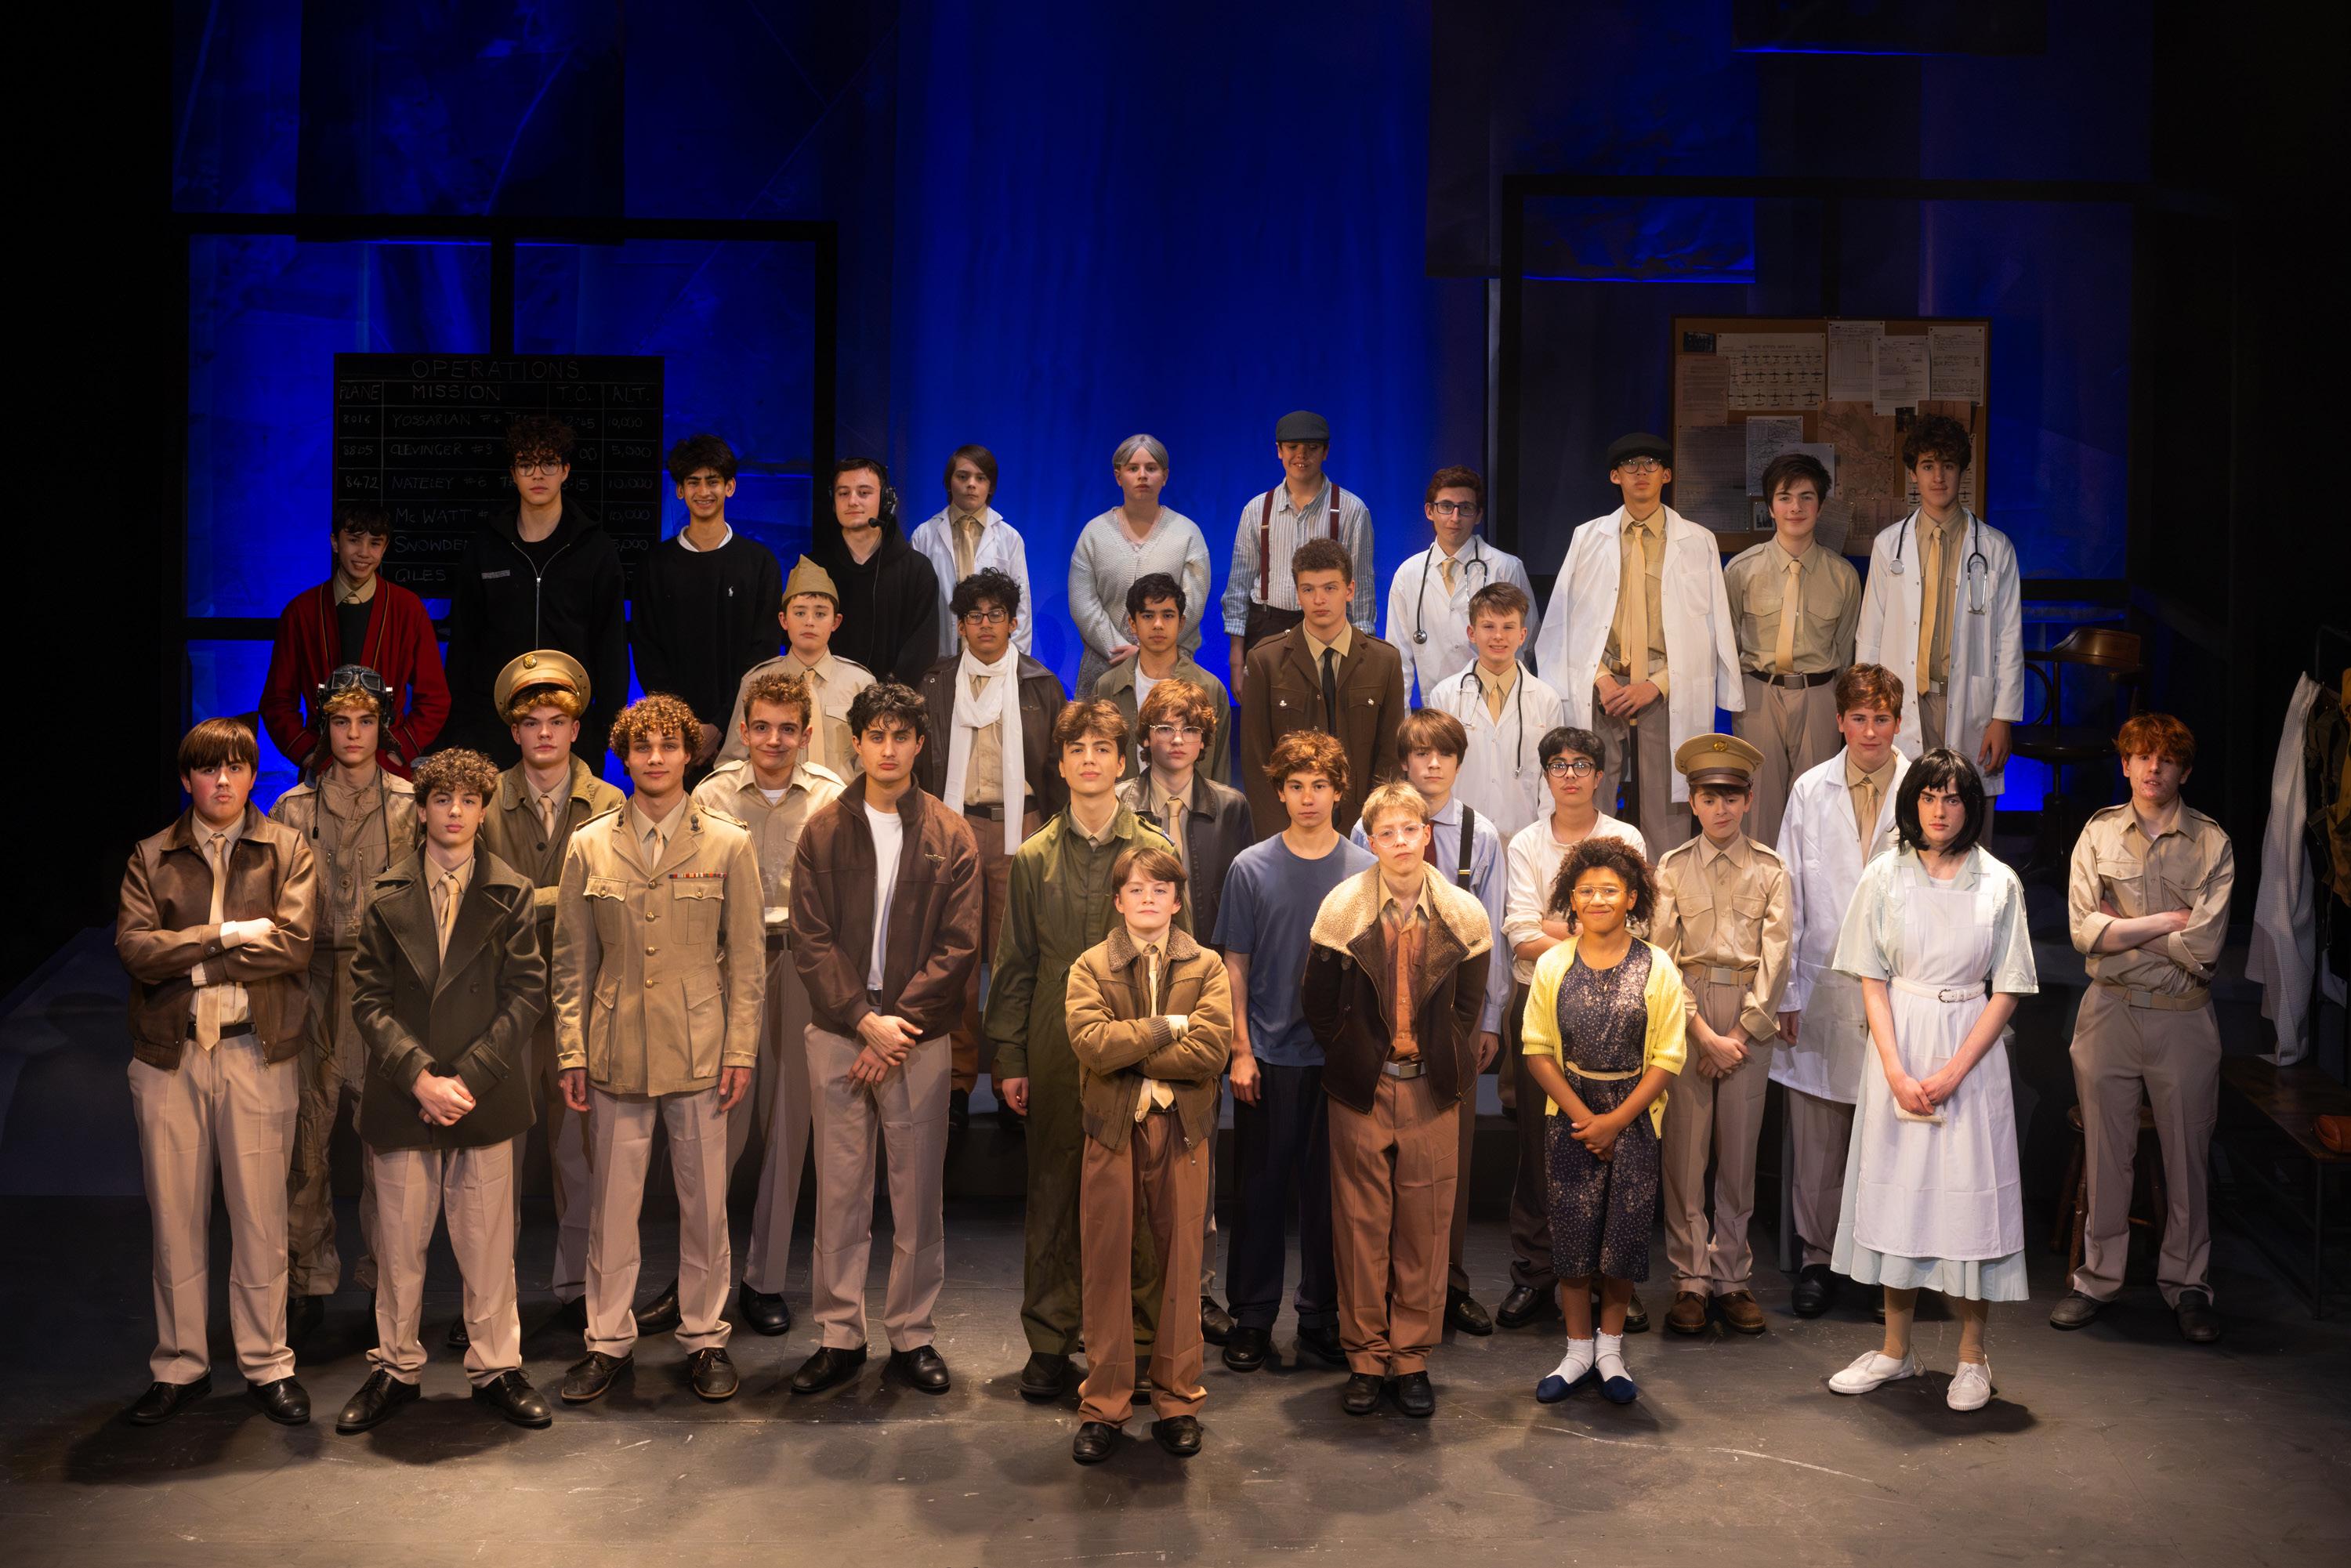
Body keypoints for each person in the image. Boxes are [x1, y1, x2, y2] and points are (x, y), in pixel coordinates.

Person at [552, 694, 765, 1405]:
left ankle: (705, 1337)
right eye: (642, 746)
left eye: (669, 745)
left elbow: (748, 961)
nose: (655, 758)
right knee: (611, 1209)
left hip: (701, 1048)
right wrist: (571, 1050)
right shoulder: (589, 844)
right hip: (615, 1048)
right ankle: (607, 1341)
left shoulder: (728, 843)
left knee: (705, 1206)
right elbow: (571, 962)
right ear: (625, 755)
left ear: (689, 755)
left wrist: (741, 1050)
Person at [336, 748, 552, 1432]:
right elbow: (368, 998)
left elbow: (527, 994)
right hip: (407, 1093)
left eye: (468, 800)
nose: (455, 811)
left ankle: (497, 1366)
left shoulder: (511, 890)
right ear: (422, 808)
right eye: (441, 798)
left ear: (483, 810)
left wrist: (468, 1077)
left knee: (488, 1245)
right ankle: (395, 1366)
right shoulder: (387, 891)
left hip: (481, 1093)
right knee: (398, 1246)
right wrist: (420, 1076)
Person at [1823, 749, 2038, 1414]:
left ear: (1970, 807)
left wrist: (1952, 1071)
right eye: (1928, 796)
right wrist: (1894, 1068)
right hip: (1901, 1044)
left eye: (1953, 798)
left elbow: (2007, 987)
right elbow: (1871, 978)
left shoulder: (1998, 881)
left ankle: (1972, 1356)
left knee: (1968, 1198)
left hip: (1969, 1048)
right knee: (1900, 1192)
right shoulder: (1884, 875)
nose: (1940, 810)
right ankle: (1895, 1349)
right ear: (1912, 802)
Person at [116, 718, 317, 1427]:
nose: (223, 780)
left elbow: (293, 945)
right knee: (175, 1217)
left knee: (261, 1216)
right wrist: (227, 935)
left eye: (235, 767)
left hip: (256, 1050)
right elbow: (136, 950)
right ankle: (180, 1364)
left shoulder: (287, 848)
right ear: (187, 778)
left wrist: (193, 963)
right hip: (169, 1055)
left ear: (253, 775)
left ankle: (267, 1362)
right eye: (208, 768)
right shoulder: (151, 855)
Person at [787, 683, 983, 1396]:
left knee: (917, 1195)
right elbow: (808, 938)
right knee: (839, 1193)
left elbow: (960, 946)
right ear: (858, 743)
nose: (889, 748)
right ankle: (840, 1333)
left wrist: (893, 1025)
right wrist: (861, 1018)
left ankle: (912, 1333)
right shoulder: (822, 830)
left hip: (916, 1039)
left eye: (902, 736)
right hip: (840, 1031)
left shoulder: (952, 834)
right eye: (877, 735)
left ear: (920, 745)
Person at [987, 700, 1185, 1403]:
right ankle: (1050, 1338)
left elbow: (1179, 953)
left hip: (1134, 1040)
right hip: (1052, 1042)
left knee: (1139, 1195)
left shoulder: (1154, 849)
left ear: (1123, 761)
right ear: (1062, 763)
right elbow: (1015, 962)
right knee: (1054, 1192)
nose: (1091, 759)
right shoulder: (1035, 855)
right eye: (1078, 749)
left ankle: (1137, 1341)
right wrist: (1010, 1057)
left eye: (1104, 747)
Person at [1301, 782, 1494, 1418]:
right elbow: (1318, 1004)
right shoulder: (1341, 909)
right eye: (1387, 832)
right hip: (1363, 1088)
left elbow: (1468, 1007)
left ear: (1427, 834)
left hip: (1430, 1090)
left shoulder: (1464, 913)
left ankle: (1410, 1359)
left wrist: (1437, 1055)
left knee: (1425, 1227)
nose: (1401, 841)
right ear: (1371, 840)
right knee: (1360, 1226)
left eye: (1411, 829)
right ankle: (1364, 1358)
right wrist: (1355, 1053)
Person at [2049, 714, 2233, 1343]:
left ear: (2185, 769)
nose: (2154, 768)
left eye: (2167, 758)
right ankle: (2098, 1279)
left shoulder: (2211, 843)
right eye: (2142, 756)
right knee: (2106, 1155)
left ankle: (2188, 1284)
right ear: (2125, 764)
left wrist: (2121, 929)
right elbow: (2083, 933)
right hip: (2109, 1012)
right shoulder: (2098, 833)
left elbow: (2205, 949)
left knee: (2188, 1157)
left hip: (2183, 1017)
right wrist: (2167, 923)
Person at [477, 651, 631, 1336]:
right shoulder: (483, 801)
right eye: (531, 721)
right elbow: (480, 902)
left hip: (586, 1004)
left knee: (580, 1156)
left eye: (556, 721)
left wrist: (530, 899)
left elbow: (611, 900)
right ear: (514, 731)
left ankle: (579, 1288)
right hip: (501, 1004)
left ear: (575, 729)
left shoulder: (611, 803)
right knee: (495, 1164)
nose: (544, 733)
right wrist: (559, 897)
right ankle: (489, 1297)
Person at [690, 668, 846, 1338]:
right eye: (762, 727)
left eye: (788, 729)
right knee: (712, 1122)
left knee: (788, 1122)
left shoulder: (834, 796)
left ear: (807, 734)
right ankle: (700, 1274)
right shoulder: (712, 793)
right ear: (744, 730)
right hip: (726, 961)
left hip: (802, 962)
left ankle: (765, 1276)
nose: (774, 740)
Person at [1210, 730, 1372, 1376]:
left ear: (1338, 791)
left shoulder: (1364, 870)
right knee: (1259, 1193)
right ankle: (1252, 1317)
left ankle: (1320, 1317)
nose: (1308, 797)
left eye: (1320, 785)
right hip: (1269, 1057)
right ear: (1279, 792)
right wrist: (1240, 1050)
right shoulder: (1250, 867)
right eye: (1296, 785)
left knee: (1332, 1197)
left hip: (1337, 1062)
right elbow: (1235, 963)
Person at [1065, 845, 1233, 1465]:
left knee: (1183, 1264)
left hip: (1182, 1130)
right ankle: (1104, 1404)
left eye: (1160, 889)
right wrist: (1168, 1026)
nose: (1147, 899)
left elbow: (1211, 1050)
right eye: (1136, 889)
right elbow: (1091, 1043)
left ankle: (1178, 1400)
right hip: (1112, 1129)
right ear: (1118, 900)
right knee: (1106, 1263)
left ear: (1177, 900)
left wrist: (1130, 1049)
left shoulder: (1207, 965)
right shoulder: (1090, 965)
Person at [1349, 711, 1512, 1338]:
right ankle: (1387, 1290)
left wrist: (1488, 1017)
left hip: (1454, 1017)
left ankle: (1450, 1283)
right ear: (1404, 763)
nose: (1433, 764)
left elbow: (1490, 933)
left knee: (1449, 1158)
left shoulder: (1480, 834)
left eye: (1444, 753)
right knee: (1382, 1161)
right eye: (1421, 753)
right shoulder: (1370, 830)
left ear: (1459, 763)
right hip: (1383, 1019)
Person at [267, 668, 416, 1345]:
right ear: (324, 726)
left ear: (382, 725)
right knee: (307, 1140)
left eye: (365, 721)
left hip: (384, 983)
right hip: (311, 980)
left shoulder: (411, 804)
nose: (353, 734)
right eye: (339, 721)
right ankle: (306, 1281)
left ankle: (389, 1281)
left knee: (388, 1143)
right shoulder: (291, 809)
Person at [1518, 838, 1686, 1406]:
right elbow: (1537, 1049)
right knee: (1571, 1235)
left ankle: (1610, 1350)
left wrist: (1615, 1120)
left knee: (1623, 1236)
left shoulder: (1657, 965)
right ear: (1572, 898)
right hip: (1570, 1114)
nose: (1597, 899)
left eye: (1609, 890)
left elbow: (1668, 1055)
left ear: (1631, 897)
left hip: (1634, 1116)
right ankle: (1576, 1350)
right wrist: (1587, 1118)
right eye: (1586, 890)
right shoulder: (1552, 964)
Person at [1494, 726, 1650, 1332]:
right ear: (1545, 775)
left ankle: (1613, 1280)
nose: (1569, 774)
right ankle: (1536, 1273)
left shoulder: (1625, 838)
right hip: (1543, 998)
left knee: (1616, 1144)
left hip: (1620, 1002)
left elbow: (1638, 923)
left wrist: (1561, 925)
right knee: (1540, 1143)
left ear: (1599, 775)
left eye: (1581, 764)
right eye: (1557, 764)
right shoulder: (1527, 842)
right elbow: (1520, 932)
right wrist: (1595, 926)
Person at [1116, 676, 1254, 1343]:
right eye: (1165, 728)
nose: (1177, 739)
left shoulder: (1230, 807)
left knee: (1197, 1150)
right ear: (1145, 737)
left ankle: (1196, 1293)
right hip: (1131, 984)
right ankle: (1130, 1295)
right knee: (1128, 1152)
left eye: (1190, 729)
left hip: (1203, 983)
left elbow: (1238, 906)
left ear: (1206, 739)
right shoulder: (1120, 801)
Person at [1772, 664, 1911, 1317]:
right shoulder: (1810, 789)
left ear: (1899, 723)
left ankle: (1884, 1265)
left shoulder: (1923, 788)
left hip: (1900, 989)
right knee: (1819, 1137)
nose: (1870, 731)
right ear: (1839, 721)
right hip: (1823, 984)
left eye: (1882, 718)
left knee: (1888, 1137)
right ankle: (1818, 1258)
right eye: (1859, 718)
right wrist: (1786, 992)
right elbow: (1789, 895)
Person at [1534, 432, 1741, 850]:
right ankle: (1594, 881)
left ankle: (1661, 887)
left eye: (1651, 464)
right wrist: (1602, 678)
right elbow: (1564, 622)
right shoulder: (1587, 537)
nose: (1641, 472)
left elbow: (1711, 629)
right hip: (1604, 691)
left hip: (1665, 689)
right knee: (1593, 798)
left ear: (1667, 474)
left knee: (1667, 807)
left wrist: (1657, 684)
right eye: (1630, 465)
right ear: (1616, 476)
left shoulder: (1698, 541)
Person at [1648, 735, 1791, 1337]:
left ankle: (1731, 1275)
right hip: (1687, 1012)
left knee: (1738, 1154)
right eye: (1710, 797)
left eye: (1732, 797)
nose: (1722, 808)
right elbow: (1660, 956)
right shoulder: (1673, 867)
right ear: (1693, 802)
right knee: (1685, 1154)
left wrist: (1739, 1033)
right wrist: (1702, 1033)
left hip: (1748, 1017)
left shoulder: (1771, 869)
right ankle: (1690, 1277)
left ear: (1749, 800)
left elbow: (1777, 957)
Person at [917, 569, 1068, 1124]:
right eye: (975, 616)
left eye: (996, 615)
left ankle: (1011, 1079)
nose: (986, 625)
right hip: (950, 828)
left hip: (1020, 828)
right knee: (954, 957)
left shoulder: (1040, 684)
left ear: (1013, 622)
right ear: (960, 625)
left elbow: (1057, 768)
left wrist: (1056, 833)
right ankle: (956, 1082)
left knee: (1015, 961)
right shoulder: (935, 682)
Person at [442, 415, 629, 766]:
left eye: (549, 463)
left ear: (566, 471)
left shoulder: (596, 549)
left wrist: (606, 728)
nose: (538, 475)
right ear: (513, 474)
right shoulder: (485, 548)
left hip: (574, 725)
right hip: (494, 729)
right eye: (526, 464)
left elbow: (612, 646)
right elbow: (464, 645)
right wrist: (462, 731)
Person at [1853, 414, 2023, 796]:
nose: (1939, 477)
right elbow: (1871, 633)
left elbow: (2010, 638)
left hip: (1970, 702)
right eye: (1928, 466)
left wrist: (2003, 718)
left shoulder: (1995, 548)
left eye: (1948, 465)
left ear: (1962, 470)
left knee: (1968, 809)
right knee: (1907, 807)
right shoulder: (1888, 545)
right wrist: (1867, 707)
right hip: (1904, 697)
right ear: (1914, 474)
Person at [1721, 451, 1862, 845]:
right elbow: (1727, 643)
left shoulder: (1844, 576)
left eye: (1806, 497)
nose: (1795, 507)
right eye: (1785, 498)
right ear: (1770, 508)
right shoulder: (1741, 570)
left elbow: (1846, 653)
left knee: (1817, 805)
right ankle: (1760, 881)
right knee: (1757, 805)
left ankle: (1812, 885)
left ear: (1820, 506)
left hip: (1820, 697)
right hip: (1758, 695)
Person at [259, 501, 448, 778]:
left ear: (385, 547)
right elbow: (277, 701)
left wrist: (398, 751)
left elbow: (435, 699)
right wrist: (308, 753)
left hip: (388, 770)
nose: (364, 553)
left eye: (375, 543)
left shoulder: (408, 609)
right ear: (335, 543)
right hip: (321, 768)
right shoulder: (301, 611)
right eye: (354, 540)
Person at [631, 433, 785, 766]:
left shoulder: (759, 563)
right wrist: (684, 726)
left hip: (744, 733)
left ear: (730, 487)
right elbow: (647, 650)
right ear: (679, 490)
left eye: (713, 481)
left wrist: (720, 724)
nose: (703, 492)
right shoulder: (655, 565)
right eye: (693, 482)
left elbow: (763, 652)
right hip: (672, 737)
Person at [1237, 538, 1407, 840]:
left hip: (1362, 830)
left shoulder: (1385, 661)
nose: (1319, 600)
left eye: (1330, 588)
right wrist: (1280, 842)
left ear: (1350, 590)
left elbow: (1390, 759)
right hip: (1290, 831)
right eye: (1308, 589)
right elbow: (1256, 761)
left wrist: (1374, 832)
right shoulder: (1265, 660)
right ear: (1297, 595)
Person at [1223, 410, 1377, 688]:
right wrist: (1236, 659)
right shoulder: (1257, 510)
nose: (1301, 455)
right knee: (1266, 713)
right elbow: (1238, 587)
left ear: (1326, 452)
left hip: (1330, 628)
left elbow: (1362, 588)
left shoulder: (1352, 510)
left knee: (1326, 712)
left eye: (1312, 448)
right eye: (1293, 447)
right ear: (1279, 451)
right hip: (1267, 627)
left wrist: (1362, 654)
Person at [1067, 435, 1213, 697]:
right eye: (1133, 468)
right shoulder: (1095, 533)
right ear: (1118, 476)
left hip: (1171, 669)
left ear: (1165, 476)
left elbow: (1193, 604)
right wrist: (1116, 648)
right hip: (1106, 666)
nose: (1142, 476)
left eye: (1151, 468)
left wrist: (1149, 651)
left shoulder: (1187, 534)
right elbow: (1083, 604)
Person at [1385, 465, 1540, 704]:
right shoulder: (1408, 574)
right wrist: (1402, 721)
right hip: (1437, 709)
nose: (1455, 518)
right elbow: (1398, 660)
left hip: (1498, 703)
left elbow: (1525, 643)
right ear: (1429, 511)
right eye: (1446, 506)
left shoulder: (1505, 567)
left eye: (1465, 508)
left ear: (1478, 515)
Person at [1426, 582, 1563, 842]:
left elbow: (1552, 778)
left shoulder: (1546, 699)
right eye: (1488, 627)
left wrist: (1546, 836)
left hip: (1527, 836)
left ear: (1522, 635)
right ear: (1472, 632)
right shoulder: (1444, 696)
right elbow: (1435, 774)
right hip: (1459, 834)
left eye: (1508, 627)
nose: (1498, 636)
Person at [720, 556, 876, 780]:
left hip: (843, 799)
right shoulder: (756, 681)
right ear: (783, 620)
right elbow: (733, 762)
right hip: (773, 799)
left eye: (820, 614)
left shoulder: (860, 684)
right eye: (800, 613)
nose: (809, 622)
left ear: (836, 622)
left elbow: (870, 762)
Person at [1094, 572, 1233, 785]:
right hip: (1124, 804)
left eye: (1168, 616)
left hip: (1193, 804)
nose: (1158, 624)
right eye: (1148, 616)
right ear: (1133, 623)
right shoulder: (1107, 687)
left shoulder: (1210, 688)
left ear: (1181, 622)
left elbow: (1220, 767)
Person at [811, 456, 940, 688]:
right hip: (823, 698)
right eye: (843, 493)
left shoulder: (917, 570)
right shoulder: (813, 567)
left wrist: (887, 700)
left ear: (886, 500)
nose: (853, 501)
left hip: (893, 704)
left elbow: (921, 652)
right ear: (833, 501)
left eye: (864, 493)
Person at [911, 444, 1034, 659]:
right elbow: (913, 605)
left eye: (981, 478)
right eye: (963, 476)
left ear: (991, 486)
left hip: (995, 658)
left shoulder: (1009, 538)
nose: (971, 484)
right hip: (937, 657)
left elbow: (1021, 607)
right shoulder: (924, 535)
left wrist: (1016, 662)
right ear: (949, 483)